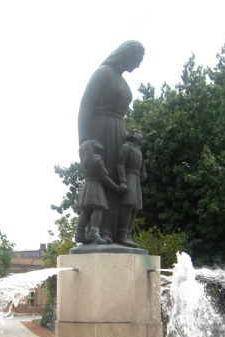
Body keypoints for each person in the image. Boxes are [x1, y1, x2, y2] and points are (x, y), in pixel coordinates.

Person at [78, 40, 145, 243]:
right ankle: (102, 232)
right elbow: (85, 108)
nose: (138, 65)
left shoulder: (121, 80)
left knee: (119, 180)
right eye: (137, 59)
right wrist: (83, 142)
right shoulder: (103, 73)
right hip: (101, 131)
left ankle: (119, 233)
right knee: (105, 181)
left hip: (119, 131)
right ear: (127, 55)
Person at [74, 140, 127, 245]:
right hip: (95, 186)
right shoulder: (97, 159)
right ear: (91, 146)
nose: (99, 143)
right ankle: (94, 232)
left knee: (86, 210)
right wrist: (116, 188)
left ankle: (79, 233)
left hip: (87, 185)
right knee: (99, 208)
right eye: (95, 142)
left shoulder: (84, 160)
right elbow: (104, 178)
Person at [116, 130, 145, 248]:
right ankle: (122, 234)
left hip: (137, 178)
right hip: (129, 177)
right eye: (137, 132)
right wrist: (123, 180)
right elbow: (120, 164)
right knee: (129, 204)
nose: (139, 134)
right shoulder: (126, 147)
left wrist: (143, 172)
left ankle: (128, 234)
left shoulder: (138, 150)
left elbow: (140, 165)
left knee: (136, 207)